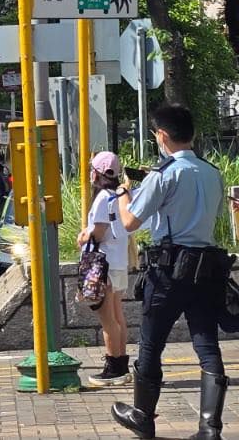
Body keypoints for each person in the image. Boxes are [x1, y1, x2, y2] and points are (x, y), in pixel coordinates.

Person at [110, 105, 230, 440]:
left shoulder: (163, 175)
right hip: (205, 270)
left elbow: (131, 221)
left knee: (151, 343)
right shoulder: (212, 172)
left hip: (168, 270)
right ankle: (210, 427)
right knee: (207, 343)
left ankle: (142, 417)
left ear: (161, 136)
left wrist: (123, 194)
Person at [77, 151, 132, 387]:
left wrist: (83, 236)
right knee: (118, 315)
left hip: (102, 264)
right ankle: (122, 365)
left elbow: (98, 233)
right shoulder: (120, 196)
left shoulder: (101, 199)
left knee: (107, 318)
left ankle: (113, 367)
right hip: (118, 262)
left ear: (97, 174)